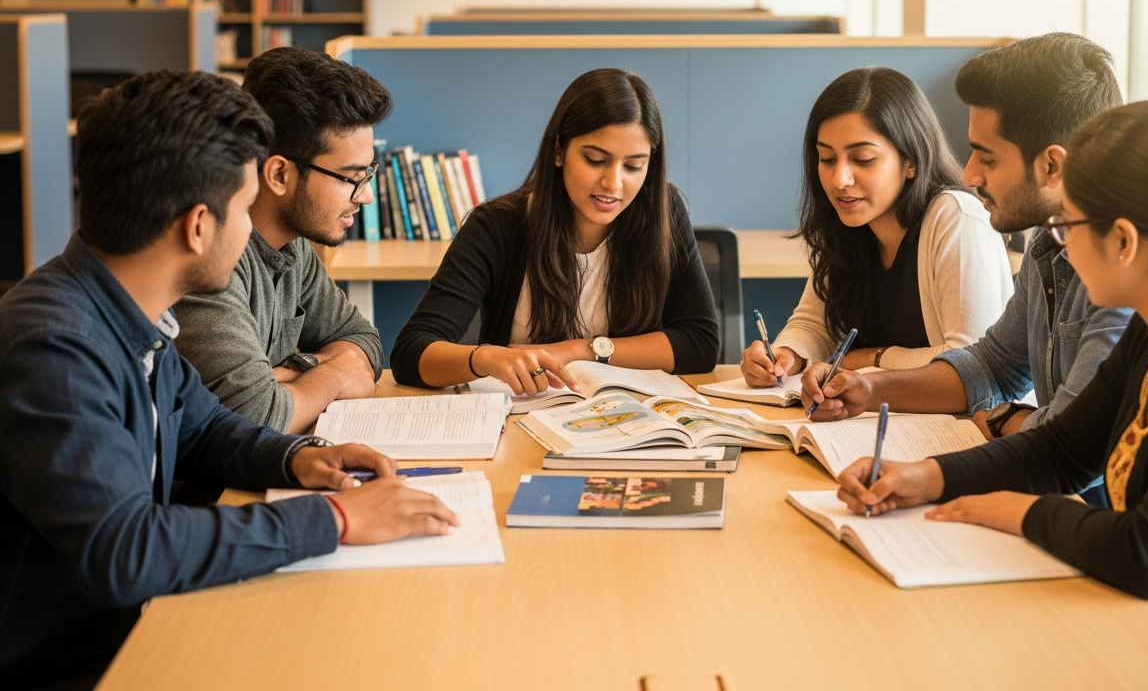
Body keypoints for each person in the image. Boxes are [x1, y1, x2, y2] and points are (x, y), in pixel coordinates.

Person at [0, 71, 457, 690]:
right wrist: (337, 521)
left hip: (127, 623)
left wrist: (300, 459)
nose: (252, 232)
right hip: (70, 659)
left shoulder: (129, 310)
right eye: (244, 209)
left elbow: (204, 427)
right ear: (197, 226)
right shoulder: (58, 346)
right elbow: (126, 551)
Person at [838, 101, 1148, 679]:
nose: (1060, 245)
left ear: (1122, 240)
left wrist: (1017, 513)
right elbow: (1065, 451)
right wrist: (926, 476)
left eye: (1066, 226)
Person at [802, 35, 1132, 452]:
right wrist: (869, 389)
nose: (970, 174)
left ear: (1052, 165)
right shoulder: (1047, 245)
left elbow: (1073, 445)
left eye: (987, 157)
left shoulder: (1125, 277)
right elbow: (992, 365)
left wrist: (1006, 420)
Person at [391, 67, 719, 393]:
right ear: (559, 150)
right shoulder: (496, 227)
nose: (614, 183)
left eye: (634, 166)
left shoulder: (663, 212)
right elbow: (411, 352)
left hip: (629, 418)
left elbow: (700, 343)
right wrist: (487, 357)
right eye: (595, 160)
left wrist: (580, 349)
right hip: (521, 419)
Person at [740, 67, 1012, 388]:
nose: (840, 180)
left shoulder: (955, 217)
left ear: (910, 161)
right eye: (827, 159)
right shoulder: (850, 221)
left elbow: (971, 361)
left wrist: (872, 359)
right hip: (879, 420)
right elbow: (815, 324)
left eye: (863, 159)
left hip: (959, 426)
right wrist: (786, 355)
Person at [174, 47, 389, 434]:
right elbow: (258, 416)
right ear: (279, 175)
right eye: (350, 177)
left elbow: (365, 342)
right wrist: (337, 377)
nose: (365, 195)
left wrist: (294, 372)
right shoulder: (212, 262)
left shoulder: (292, 245)